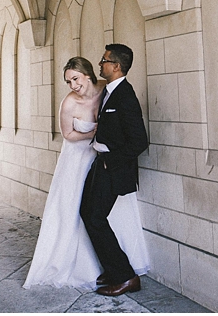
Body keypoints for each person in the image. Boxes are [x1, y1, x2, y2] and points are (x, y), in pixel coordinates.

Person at [23, 57, 149, 290]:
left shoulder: (109, 91)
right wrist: (94, 134)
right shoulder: (69, 103)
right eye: (68, 81)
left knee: (93, 215)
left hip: (105, 162)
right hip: (79, 159)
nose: (72, 85)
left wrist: (108, 153)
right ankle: (112, 270)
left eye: (75, 78)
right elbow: (69, 135)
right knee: (81, 212)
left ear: (88, 74)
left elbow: (131, 133)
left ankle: (122, 273)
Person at [80, 44, 149, 297]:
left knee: (94, 217)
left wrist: (111, 161)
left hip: (112, 167)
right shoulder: (110, 91)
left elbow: (139, 141)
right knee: (88, 213)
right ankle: (115, 269)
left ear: (116, 66)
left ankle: (126, 277)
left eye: (104, 60)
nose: (100, 64)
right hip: (101, 162)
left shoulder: (125, 96)